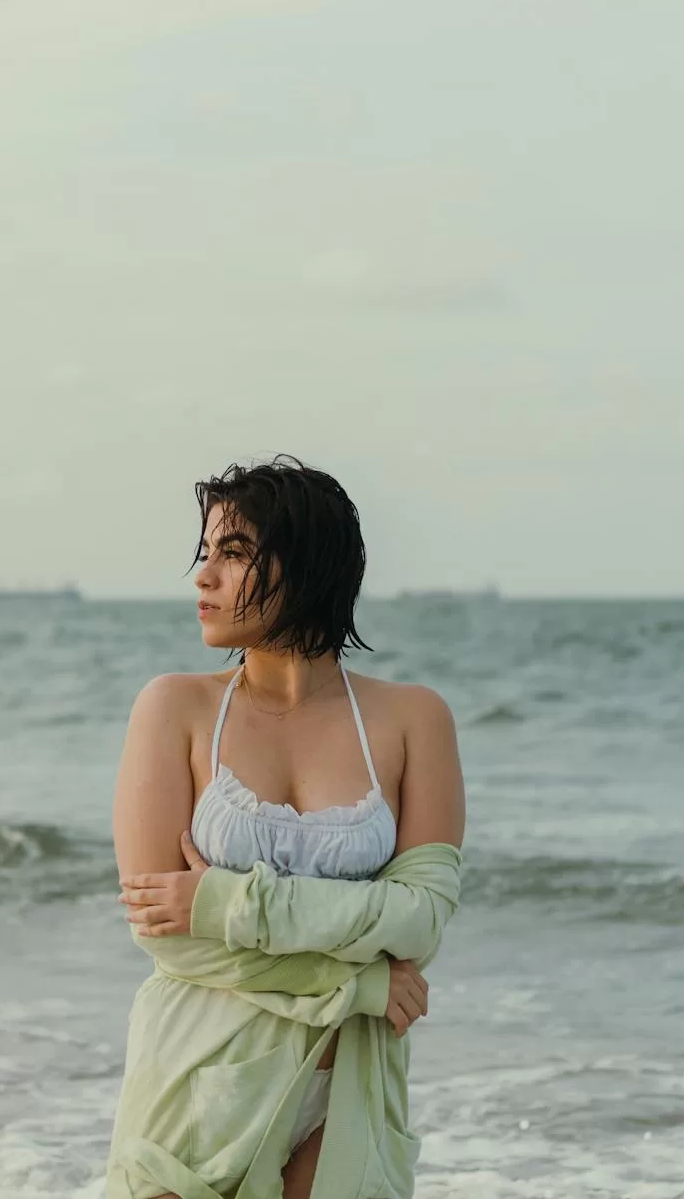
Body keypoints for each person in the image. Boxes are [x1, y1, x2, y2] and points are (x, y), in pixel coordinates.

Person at [103, 454, 467, 1199]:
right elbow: (166, 934)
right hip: (197, 1084)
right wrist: (362, 982)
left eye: (233, 553)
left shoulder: (412, 721)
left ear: (308, 566)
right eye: (206, 554)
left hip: (350, 1091)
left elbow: (421, 919)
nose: (203, 576)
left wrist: (226, 902)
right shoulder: (175, 709)